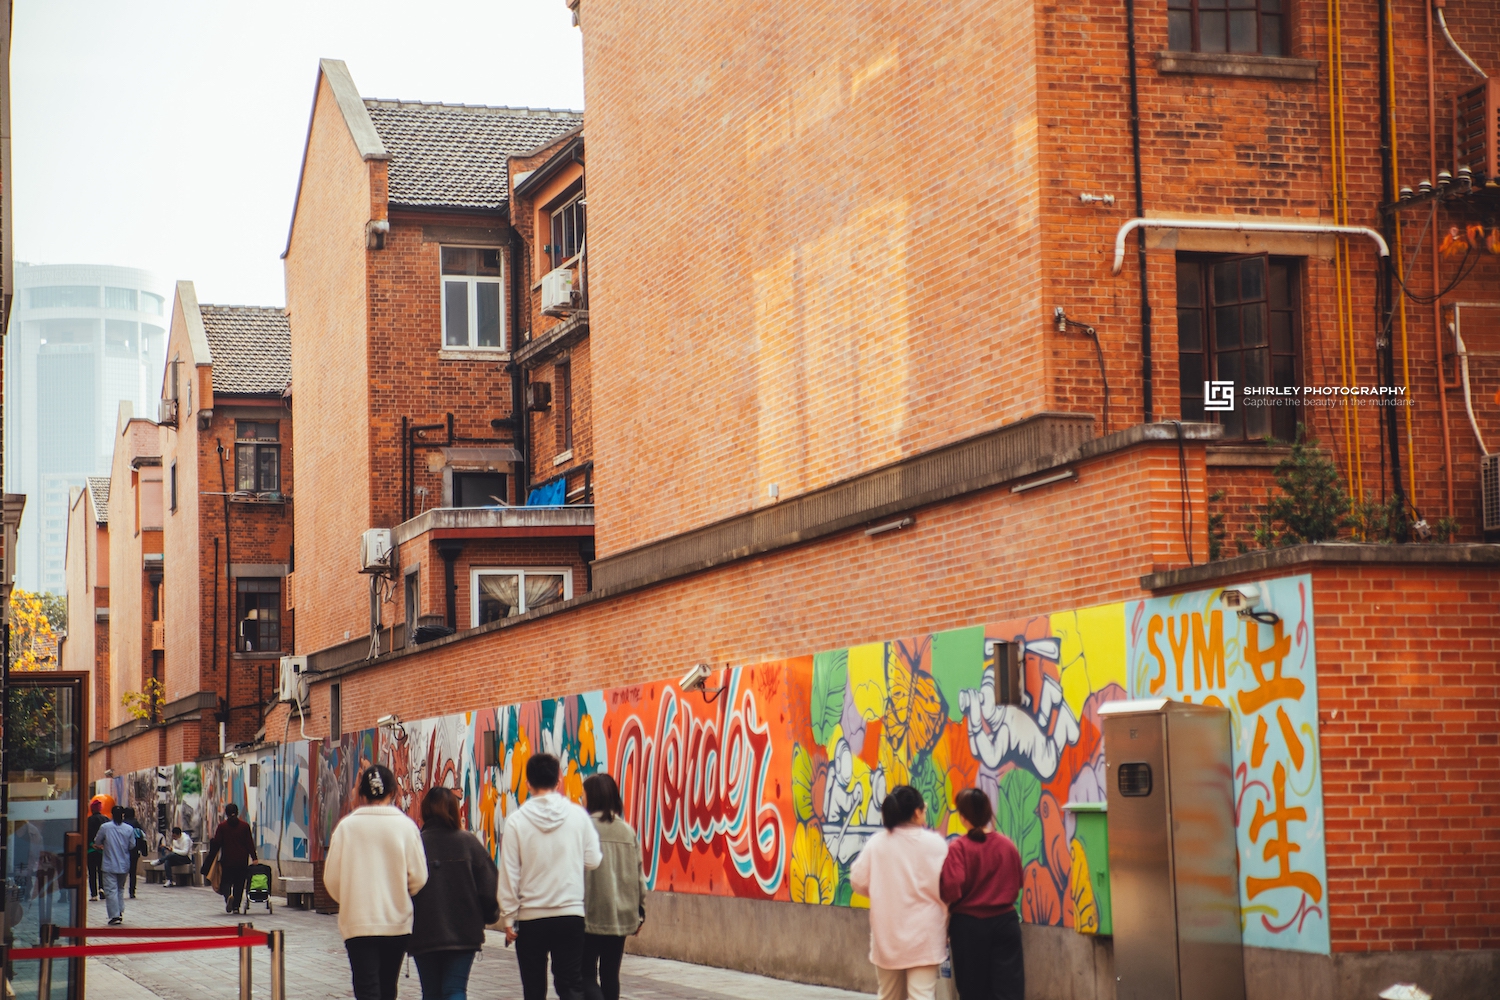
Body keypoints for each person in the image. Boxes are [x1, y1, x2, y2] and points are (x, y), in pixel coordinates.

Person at [498, 753, 602, 1000]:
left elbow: (509, 873)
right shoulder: (578, 816)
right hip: (570, 914)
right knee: (570, 985)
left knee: (533, 989)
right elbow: (593, 860)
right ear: (559, 780)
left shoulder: (516, 821)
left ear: (527, 783)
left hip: (531, 917)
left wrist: (509, 916)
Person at [325, 764, 429, 1000]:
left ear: (362, 794)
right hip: (396, 921)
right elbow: (420, 877)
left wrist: (351, 897)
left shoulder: (346, 828)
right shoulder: (406, 827)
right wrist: (400, 892)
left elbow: (331, 880)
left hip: (358, 922)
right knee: (387, 985)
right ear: (393, 791)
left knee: (366, 985)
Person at [849, 785, 949, 1000]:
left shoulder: (877, 844)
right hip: (926, 936)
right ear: (916, 812)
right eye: (924, 808)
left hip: (888, 935)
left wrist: (879, 890)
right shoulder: (936, 845)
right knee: (921, 995)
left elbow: (857, 880)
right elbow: (947, 887)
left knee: (889, 995)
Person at [410, 786, 499, 1000]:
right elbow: (490, 888)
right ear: (454, 809)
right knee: (455, 989)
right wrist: (487, 917)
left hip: (423, 932)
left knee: (430, 992)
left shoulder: (416, 845)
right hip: (464, 932)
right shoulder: (468, 843)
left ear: (425, 811)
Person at [940, 788, 1024, 1000]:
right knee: (1009, 989)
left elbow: (952, 885)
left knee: (973, 990)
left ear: (962, 817)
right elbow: (1018, 882)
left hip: (969, 927)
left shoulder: (959, 847)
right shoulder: (1007, 845)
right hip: (1006, 922)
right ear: (988, 813)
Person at [581, 773, 646, 1000]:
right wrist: (640, 912)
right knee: (610, 975)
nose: (581, 799)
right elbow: (639, 877)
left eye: (584, 794)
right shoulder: (627, 831)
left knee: (585, 975)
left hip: (589, 916)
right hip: (621, 916)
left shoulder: (583, 828)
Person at [203, 803, 259, 913]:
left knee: (225, 882)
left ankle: (228, 896)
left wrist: (211, 856)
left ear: (226, 813)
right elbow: (249, 843)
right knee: (239, 884)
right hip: (242, 861)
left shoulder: (222, 827)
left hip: (227, 860)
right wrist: (254, 857)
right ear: (237, 812)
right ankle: (236, 907)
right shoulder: (244, 826)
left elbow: (217, 843)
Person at [93, 806, 137, 925]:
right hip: (124, 863)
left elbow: (97, 841)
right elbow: (132, 845)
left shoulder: (105, 827)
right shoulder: (129, 829)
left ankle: (115, 914)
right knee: (120, 889)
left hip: (109, 863)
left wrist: (102, 845)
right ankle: (119, 911)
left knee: (111, 890)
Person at [123, 807, 147, 898]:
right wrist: (143, 851)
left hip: (124, 851)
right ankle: (132, 891)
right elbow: (142, 837)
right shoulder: (136, 824)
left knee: (123, 871)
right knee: (133, 872)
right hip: (134, 851)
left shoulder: (123, 823)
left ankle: (120, 888)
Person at [86, 800, 106, 901]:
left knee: (92, 872)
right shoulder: (106, 820)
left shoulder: (87, 821)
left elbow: (85, 835)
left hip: (90, 850)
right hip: (103, 850)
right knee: (102, 871)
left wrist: (91, 844)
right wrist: (102, 845)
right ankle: (102, 888)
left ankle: (93, 894)